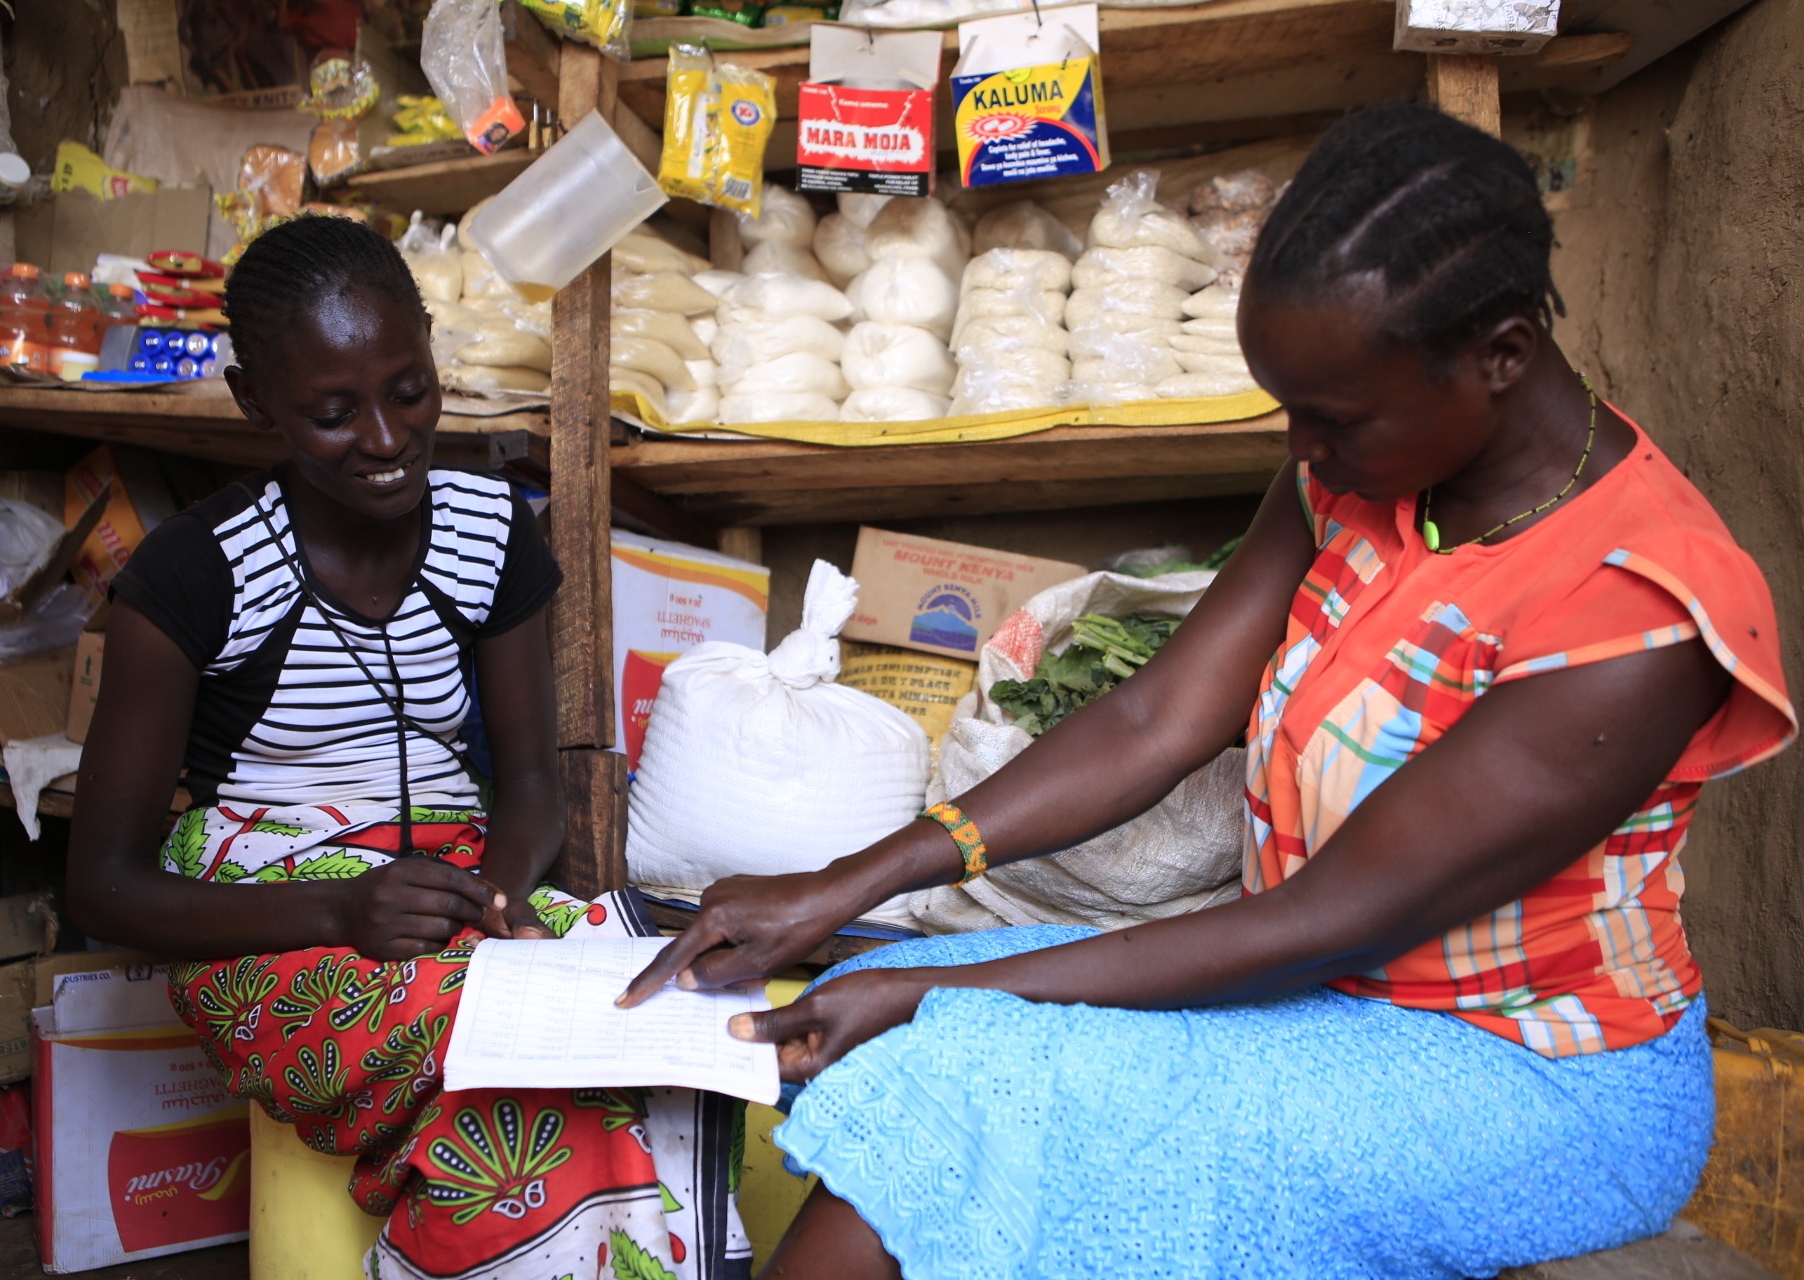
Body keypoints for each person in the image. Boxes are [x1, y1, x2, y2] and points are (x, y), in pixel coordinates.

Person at [621, 103, 1798, 1279]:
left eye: (1332, 417)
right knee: (910, 1003)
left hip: (1528, 1077)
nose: (1300, 448)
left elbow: (1324, 918)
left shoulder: (1637, 607)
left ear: (1499, 353)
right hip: (1325, 995)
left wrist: (922, 980)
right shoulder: (1357, 479)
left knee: (955, 1040)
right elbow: (1156, 715)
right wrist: (847, 885)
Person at [67, 215, 749, 1280]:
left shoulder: (489, 532)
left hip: (455, 884)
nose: (386, 440)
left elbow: (528, 789)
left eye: (410, 390)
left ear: (435, 353)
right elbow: (101, 887)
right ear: (256, 403)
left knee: (661, 1010)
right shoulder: (196, 574)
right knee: (515, 1042)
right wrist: (346, 908)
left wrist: (488, 894)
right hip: (271, 920)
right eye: (333, 414)